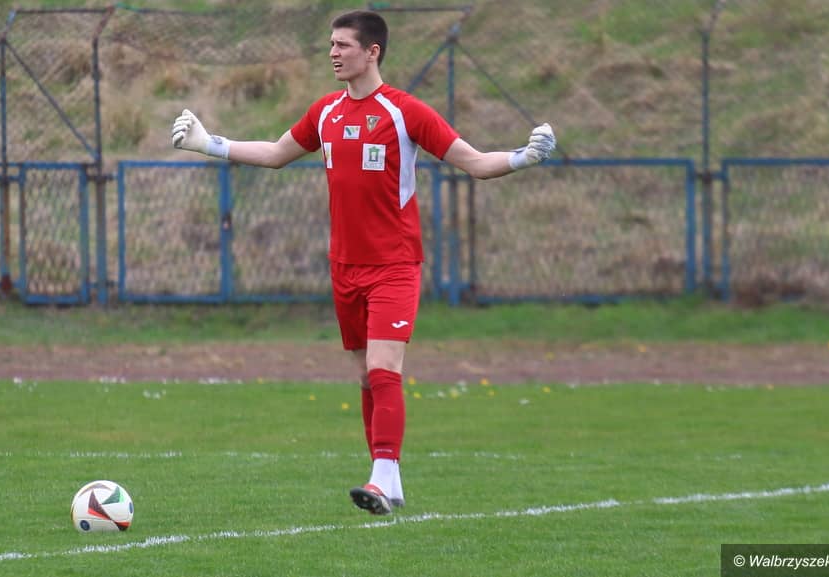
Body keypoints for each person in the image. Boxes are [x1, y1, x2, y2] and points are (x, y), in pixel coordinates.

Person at [172, 9, 555, 515]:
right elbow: (275, 153)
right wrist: (208, 144)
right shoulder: (326, 112)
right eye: (331, 44)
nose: (333, 53)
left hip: (394, 264)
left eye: (344, 45)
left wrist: (524, 157)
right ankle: (388, 482)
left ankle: (381, 478)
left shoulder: (405, 111)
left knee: (383, 368)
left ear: (372, 52)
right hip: (345, 267)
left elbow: (476, 163)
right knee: (365, 376)